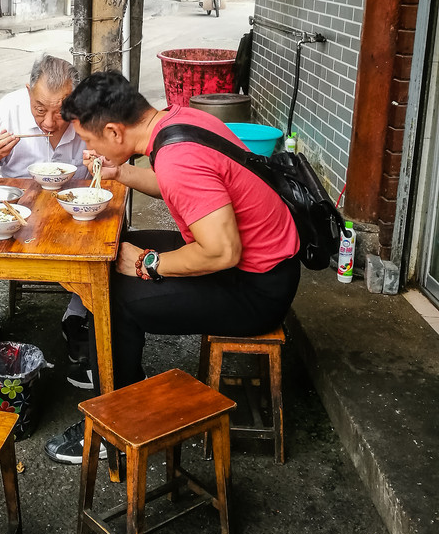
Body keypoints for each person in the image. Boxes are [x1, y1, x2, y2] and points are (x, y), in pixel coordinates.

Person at [45, 70, 301, 463]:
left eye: (87, 138)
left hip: (257, 287)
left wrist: (150, 264)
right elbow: (184, 186)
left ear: (114, 132)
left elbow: (221, 252)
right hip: (263, 262)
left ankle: (117, 418)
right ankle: (121, 382)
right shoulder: (179, 120)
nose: (86, 147)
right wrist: (119, 172)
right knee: (112, 258)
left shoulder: (179, 159)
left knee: (113, 297)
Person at [0, 54, 93, 386]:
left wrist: (101, 163)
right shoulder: (9, 107)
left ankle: (76, 315)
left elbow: (113, 163)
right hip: (17, 208)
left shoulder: (88, 113)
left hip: (73, 207)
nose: (50, 122)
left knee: (101, 229)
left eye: (60, 111)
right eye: (40, 110)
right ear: (28, 92)